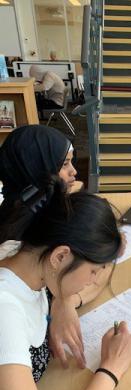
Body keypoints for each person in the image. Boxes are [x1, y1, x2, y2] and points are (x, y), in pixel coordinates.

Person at [0, 179, 131, 390]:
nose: (95, 280)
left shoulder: (24, 255)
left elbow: (99, 271)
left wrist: (64, 301)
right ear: (60, 256)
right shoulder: (4, 312)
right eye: (93, 270)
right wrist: (110, 371)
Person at [0, 125, 103, 370]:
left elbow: (100, 259)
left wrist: (64, 300)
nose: (74, 171)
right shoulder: (14, 242)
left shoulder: (40, 215)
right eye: (64, 164)